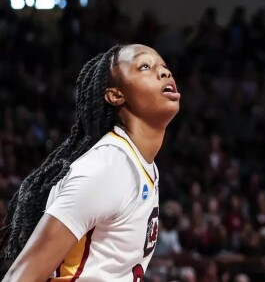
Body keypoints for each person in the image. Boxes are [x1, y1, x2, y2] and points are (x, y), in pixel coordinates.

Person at [2, 44, 181, 280]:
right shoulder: (108, 168)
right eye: (145, 67)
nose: (164, 73)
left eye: (164, 67)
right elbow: (20, 276)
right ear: (116, 95)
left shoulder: (139, 163)